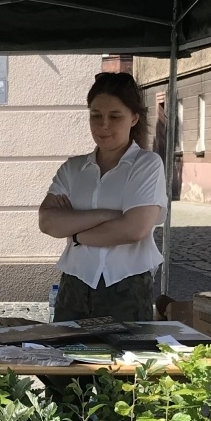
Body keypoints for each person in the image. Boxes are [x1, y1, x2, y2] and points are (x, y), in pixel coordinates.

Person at [37, 72, 168, 322]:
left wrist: (75, 231)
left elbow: (134, 229)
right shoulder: (73, 169)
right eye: (95, 115)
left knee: (125, 361)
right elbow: (48, 222)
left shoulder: (146, 165)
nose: (103, 125)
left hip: (126, 287)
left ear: (134, 118)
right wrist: (106, 216)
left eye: (114, 116)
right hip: (75, 285)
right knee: (68, 358)